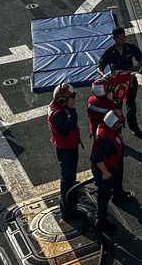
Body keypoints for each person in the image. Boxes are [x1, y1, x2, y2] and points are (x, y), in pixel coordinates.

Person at [90, 109, 134, 234]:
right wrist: (105, 172)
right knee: (103, 195)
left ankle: (118, 194)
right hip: (104, 171)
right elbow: (96, 158)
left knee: (117, 179)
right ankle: (101, 221)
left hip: (113, 164)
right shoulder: (107, 140)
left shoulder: (106, 129)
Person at [96, 27, 142, 137]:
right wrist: (104, 75)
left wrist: (138, 66)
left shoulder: (130, 47)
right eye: (120, 39)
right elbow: (99, 67)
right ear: (114, 38)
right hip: (117, 84)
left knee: (131, 104)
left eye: (123, 38)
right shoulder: (110, 52)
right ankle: (115, 130)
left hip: (130, 81)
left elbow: (141, 58)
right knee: (116, 107)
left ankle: (133, 126)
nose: (122, 41)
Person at [47, 83, 82, 222]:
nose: (72, 100)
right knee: (67, 180)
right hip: (67, 149)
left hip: (64, 146)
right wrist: (72, 109)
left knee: (68, 178)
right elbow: (70, 125)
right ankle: (69, 211)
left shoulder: (55, 108)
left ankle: (69, 199)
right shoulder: (58, 114)